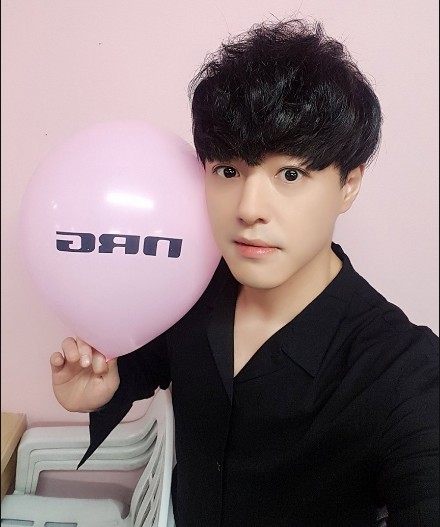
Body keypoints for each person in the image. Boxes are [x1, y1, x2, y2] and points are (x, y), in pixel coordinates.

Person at [50, 18, 439, 526]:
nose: (249, 208)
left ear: (348, 184)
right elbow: (148, 358)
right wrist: (107, 383)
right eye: (228, 171)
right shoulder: (188, 287)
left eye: (290, 174)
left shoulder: (402, 371)